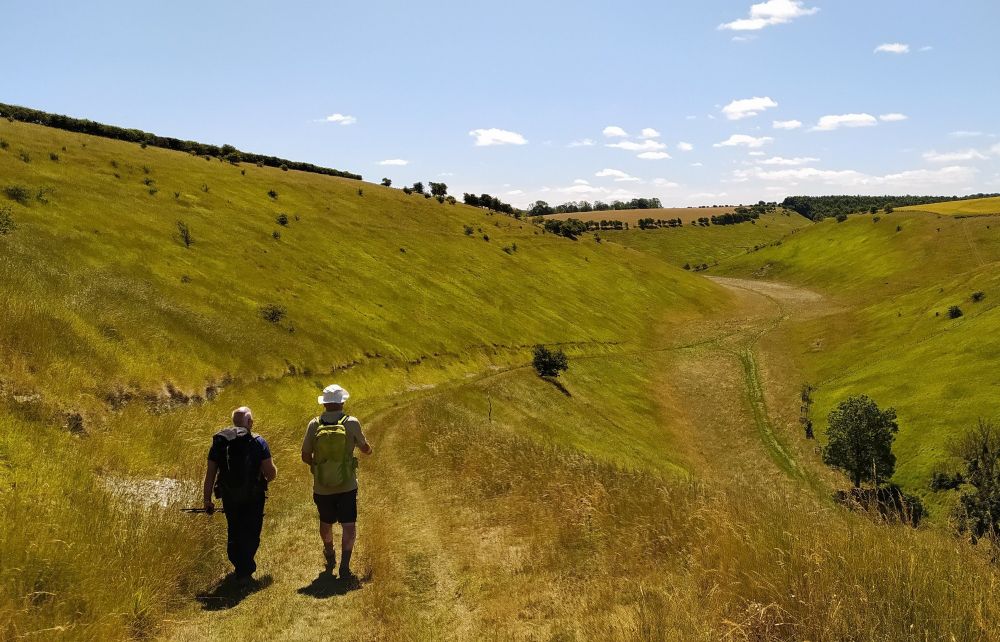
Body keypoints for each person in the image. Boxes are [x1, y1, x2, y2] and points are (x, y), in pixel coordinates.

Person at [301, 384, 372, 579]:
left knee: (326, 522)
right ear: (342, 402)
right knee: (349, 525)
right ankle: (344, 567)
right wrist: (367, 450)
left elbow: (305, 455)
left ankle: (329, 552)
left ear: (324, 404)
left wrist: (318, 467)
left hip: (322, 487)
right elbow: (365, 448)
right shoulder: (352, 422)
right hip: (347, 485)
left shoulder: (314, 424)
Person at [203, 406, 277, 584]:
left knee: (234, 529)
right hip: (254, 496)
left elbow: (210, 474)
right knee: (251, 531)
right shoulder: (258, 442)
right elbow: (270, 473)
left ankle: (239, 567)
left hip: (229, 496)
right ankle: (245, 572)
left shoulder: (220, 443)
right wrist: (264, 477)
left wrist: (207, 500)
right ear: (250, 422)